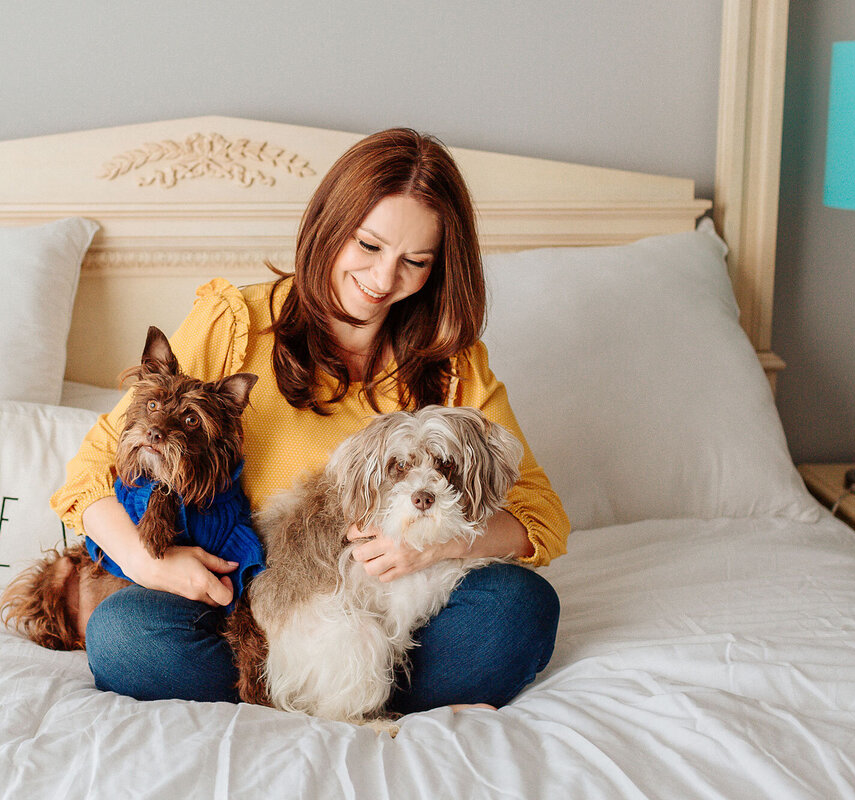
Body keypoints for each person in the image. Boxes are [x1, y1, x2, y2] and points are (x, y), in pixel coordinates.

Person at [50, 127, 570, 711]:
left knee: (520, 608)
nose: (382, 280)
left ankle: (338, 692)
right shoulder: (236, 322)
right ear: (330, 224)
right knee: (126, 636)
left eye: (414, 261)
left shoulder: (453, 364)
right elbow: (92, 471)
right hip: (237, 611)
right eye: (369, 246)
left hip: (388, 614)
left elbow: (538, 514)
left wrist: (433, 548)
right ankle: (342, 696)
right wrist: (155, 564)